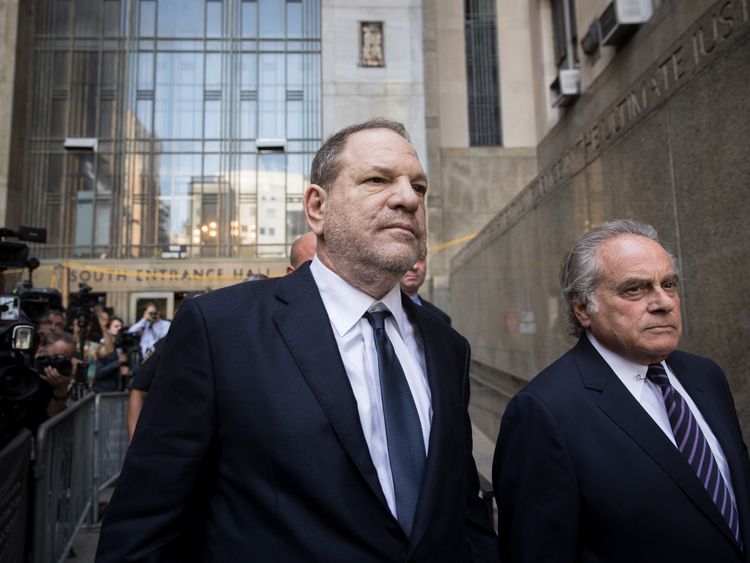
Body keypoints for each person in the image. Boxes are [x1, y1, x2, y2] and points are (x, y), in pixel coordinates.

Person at [96, 119, 497, 562]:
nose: (407, 198)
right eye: (378, 180)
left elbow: (463, 509)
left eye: (418, 188)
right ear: (317, 207)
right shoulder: (220, 328)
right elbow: (143, 529)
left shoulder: (447, 347)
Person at [492, 219, 750, 563]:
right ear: (583, 308)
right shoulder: (544, 411)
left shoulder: (705, 375)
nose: (663, 302)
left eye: (669, 284)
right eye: (635, 289)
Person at [23, 330, 80, 433]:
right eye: (57, 357)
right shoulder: (28, 376)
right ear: (41, 352)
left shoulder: (64, 381)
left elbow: (52, 419)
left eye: (68, 359)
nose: (62, 363)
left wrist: (61, 390)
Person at [400, 255, 451, 324]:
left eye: (420, 259)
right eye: (406, 258)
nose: (414, 266)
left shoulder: (441, 320)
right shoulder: (381, 313)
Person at [92, 311, 129, 392]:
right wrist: (117, 363)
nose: (119, 329)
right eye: (116, 326)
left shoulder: (122, 347)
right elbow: (98, 373)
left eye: (121, 326)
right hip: (103, 391)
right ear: (108, 329)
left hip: (117, 391)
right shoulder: (103, 346)